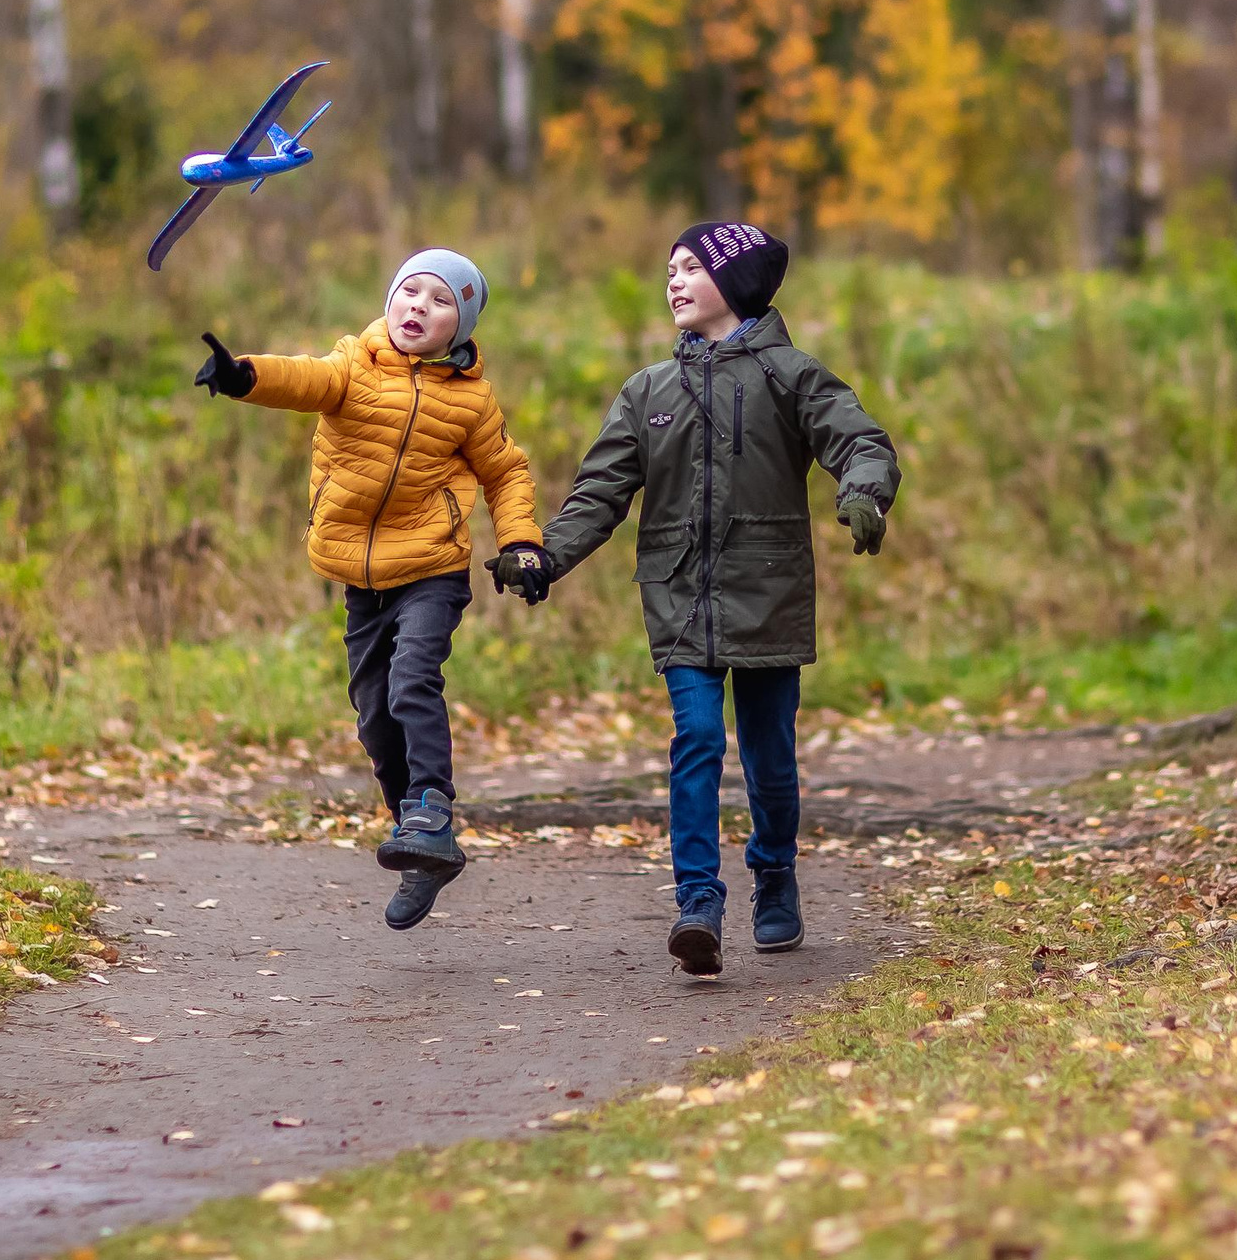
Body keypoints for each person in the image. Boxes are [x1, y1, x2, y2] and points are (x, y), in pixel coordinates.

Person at [501, 222, 899, 975]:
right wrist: (546, 555)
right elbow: (601, 490)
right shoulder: (649, 390)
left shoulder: (792, 375)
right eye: (670, 268)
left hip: (769, 590)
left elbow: (860, 441)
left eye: (691, 267)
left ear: (737, 282)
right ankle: (698, 902)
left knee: (770, 758)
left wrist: (864, 492)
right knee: (697, 740)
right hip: (678, 592)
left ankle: (774, 872)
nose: (674, 281)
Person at [193, 248, 547, 930]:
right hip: (360, 576)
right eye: (409, 291)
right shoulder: (355, 364)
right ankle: (419, 841)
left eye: (440, 300)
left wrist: (522, 542)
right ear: (389, 301)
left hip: (431, 567)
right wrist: (246, 376)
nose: (419, 306)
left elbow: (506, 473)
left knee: (412, 679)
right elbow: (304, 380)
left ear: (463, 323)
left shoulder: (471, 400)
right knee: (374, 716)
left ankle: (433, 806)